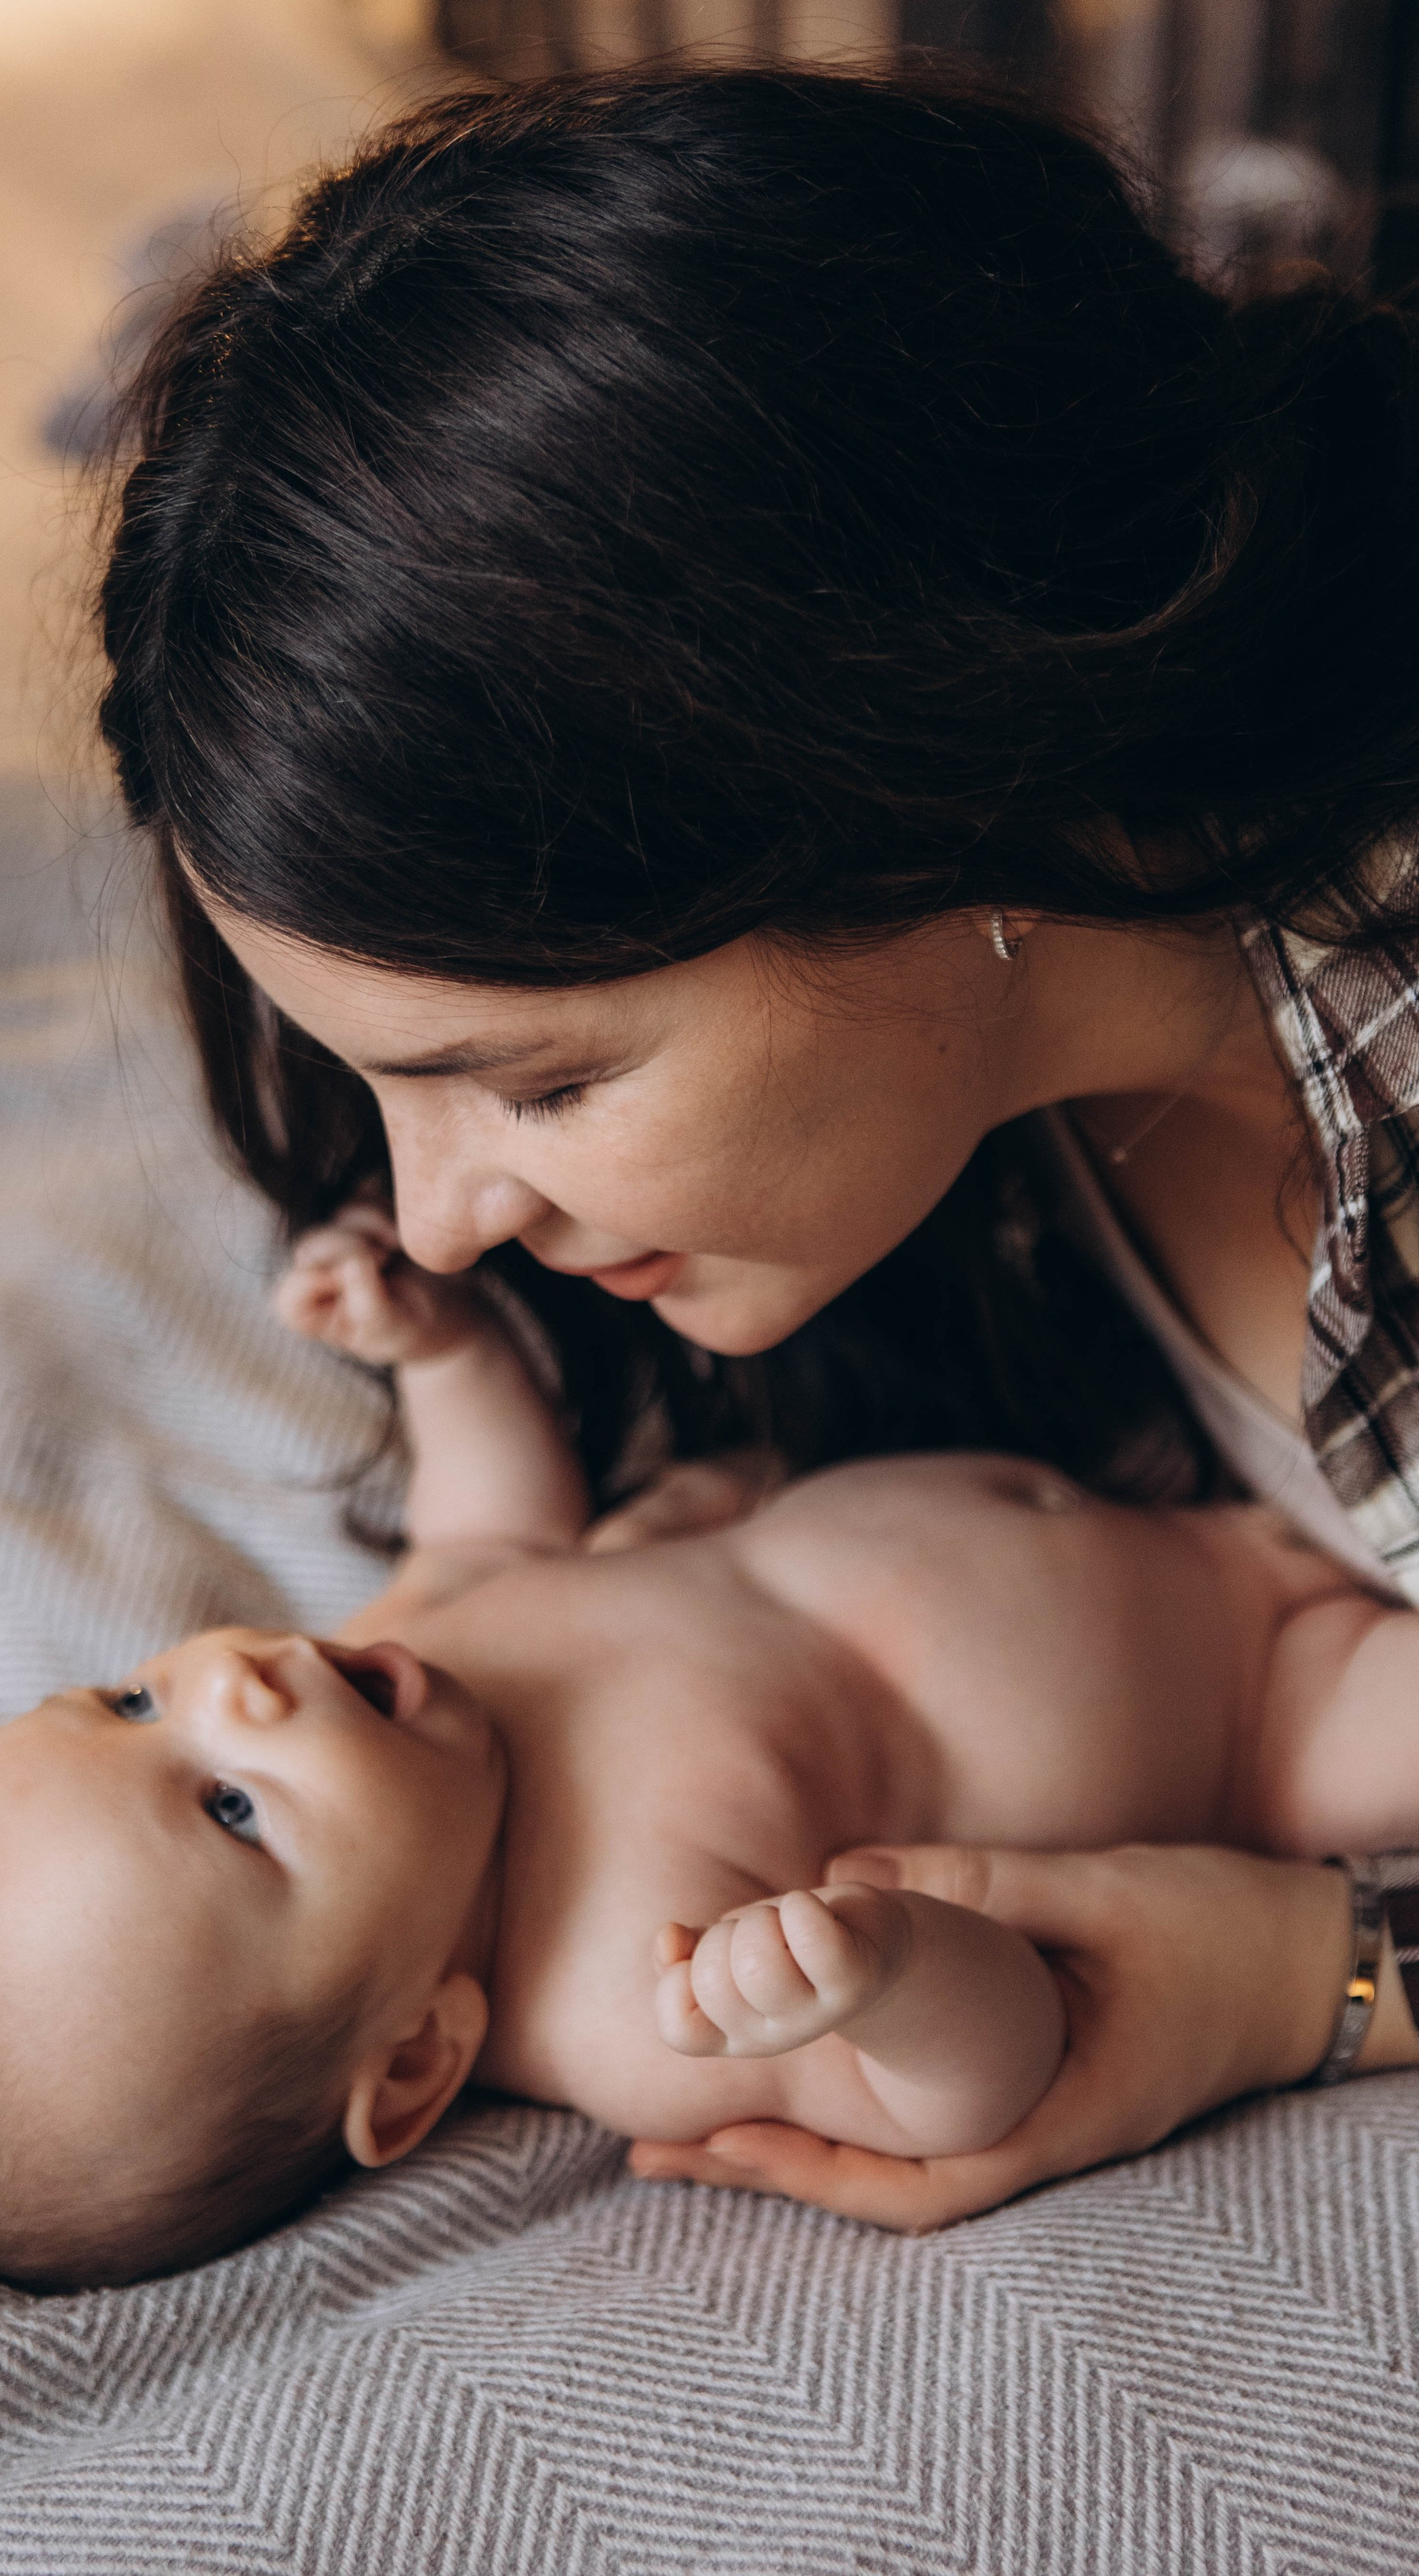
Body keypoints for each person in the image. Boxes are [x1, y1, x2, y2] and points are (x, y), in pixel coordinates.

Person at [92, 65, 1419, 2227]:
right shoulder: (987, 1119)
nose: (441, 1217)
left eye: (541, 1083)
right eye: (382, 1088)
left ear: (921, 788)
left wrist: (1313, 1979)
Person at [0, 1212, 1419, 2288]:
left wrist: (442, 1349)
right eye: (225, 1811)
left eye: (129, 1701)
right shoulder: (637, 1992)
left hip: (1168, 1461)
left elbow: (495, 1517)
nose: (231, 1687)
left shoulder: (425, 1660)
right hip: (1276, 1715)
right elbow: (990, 2091)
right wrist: (889, 1980)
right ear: (410, 2059)